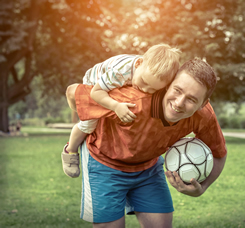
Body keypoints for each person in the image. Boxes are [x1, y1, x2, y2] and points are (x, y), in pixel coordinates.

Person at [66, 57, 227, 228]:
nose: (179, 103)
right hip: (105, 164)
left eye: (192, 99)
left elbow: (219, 153)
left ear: (203, 104)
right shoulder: (132, 100)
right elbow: (72, 92)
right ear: (167, 85)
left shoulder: (203, 116)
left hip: (148, 168)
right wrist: (85, 122)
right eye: (177, 90)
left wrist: (202, 187)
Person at [62, 44, 181, 178]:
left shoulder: (148, 72)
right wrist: (116, 106)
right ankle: (70, 150)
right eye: (144, 81)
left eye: (153, 89)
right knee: (88, 125)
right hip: (95, 82)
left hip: (113, 82)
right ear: (139, 63)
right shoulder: (121, 72)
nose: (145, 89)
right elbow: (96, 92)